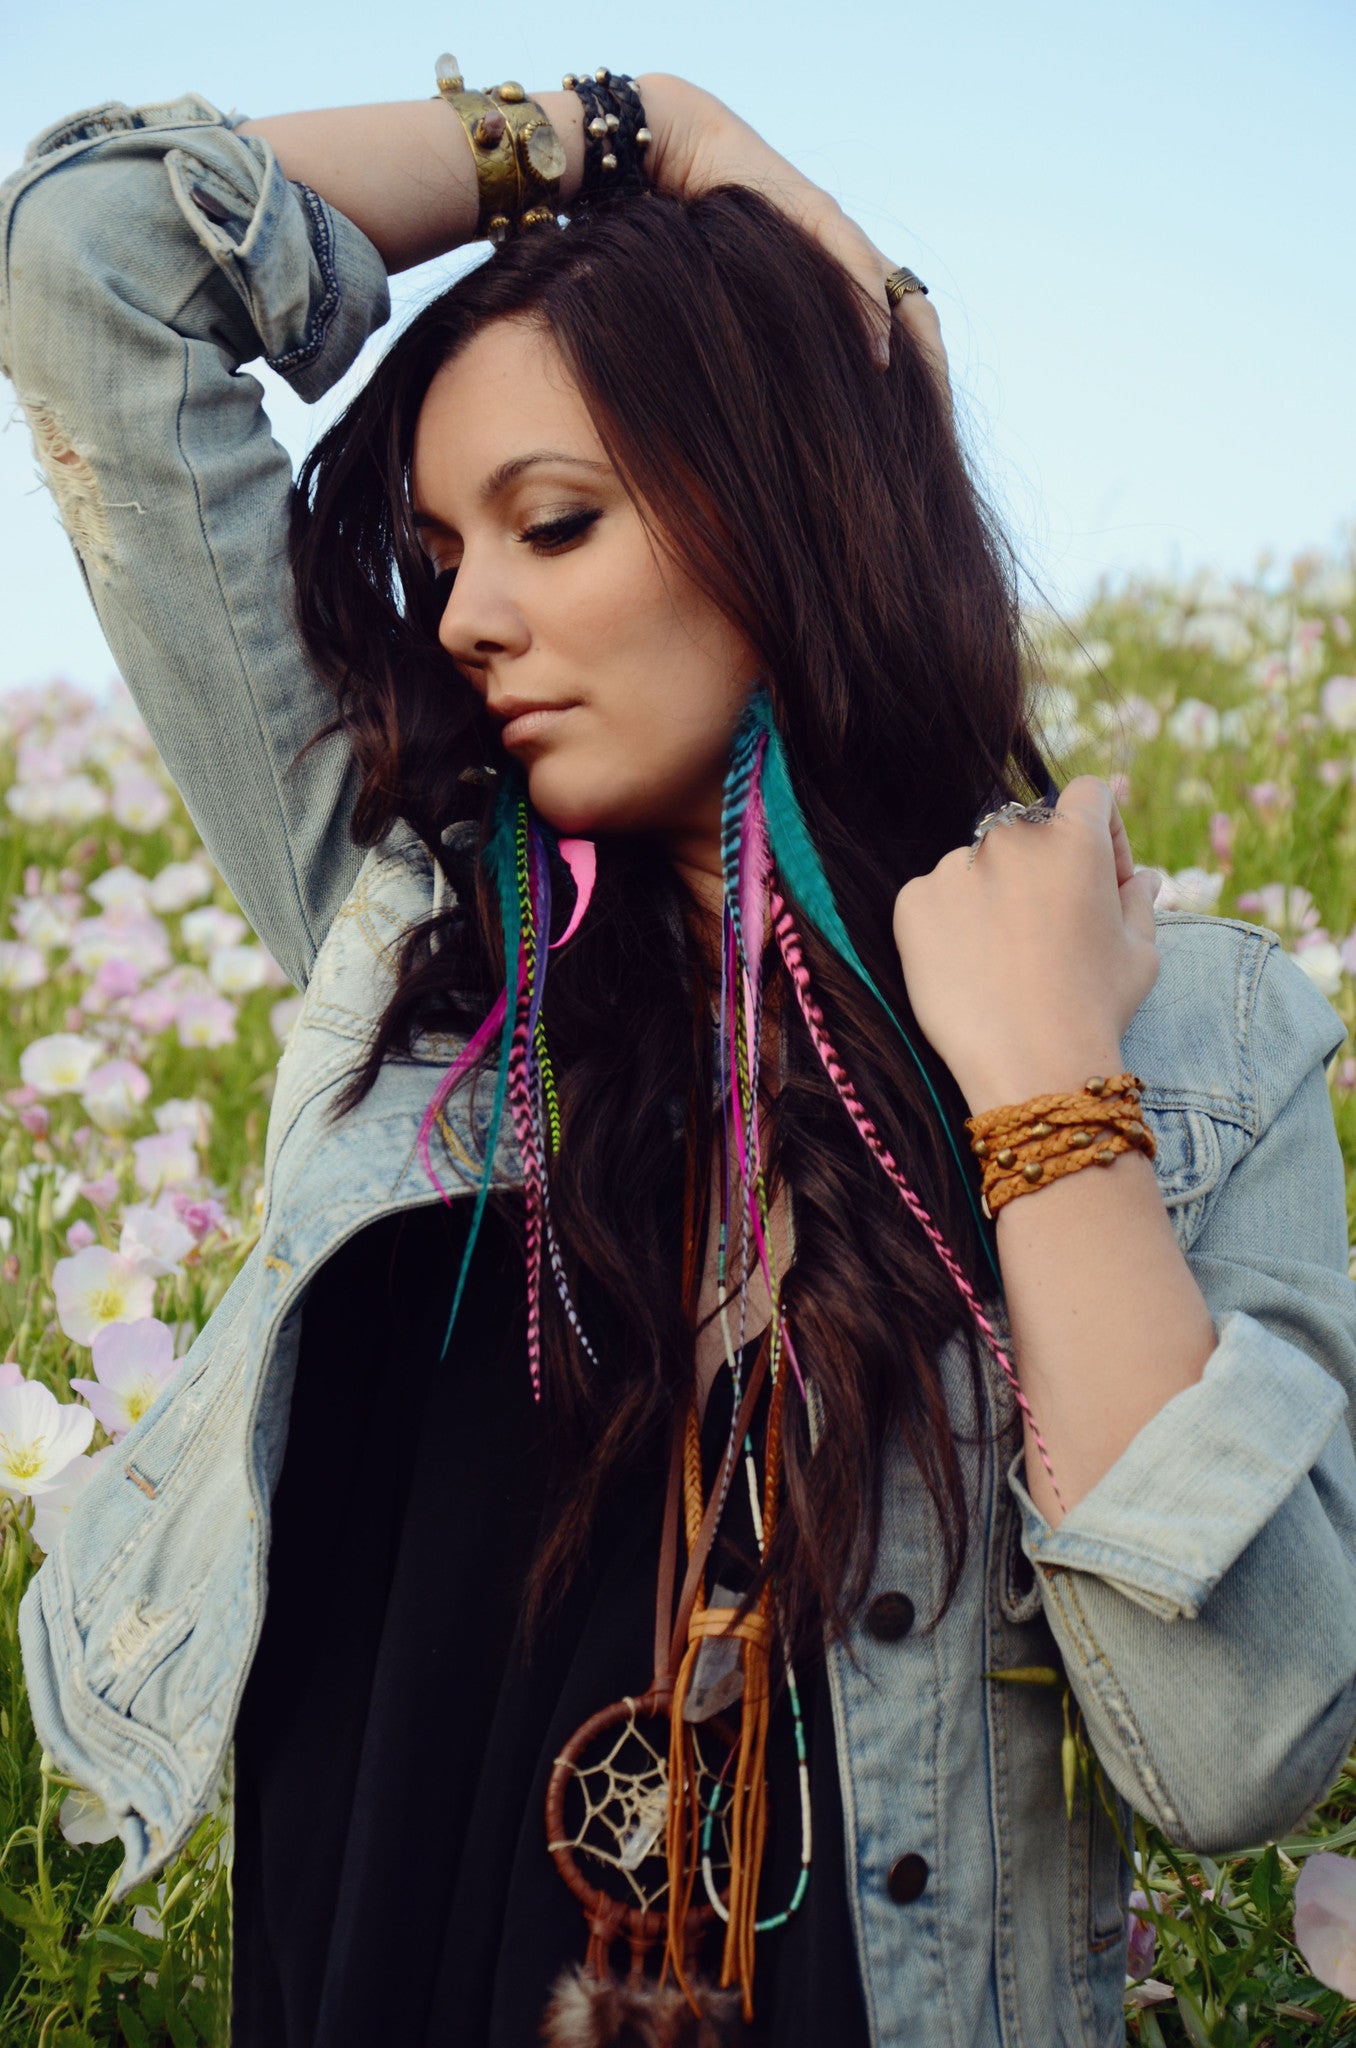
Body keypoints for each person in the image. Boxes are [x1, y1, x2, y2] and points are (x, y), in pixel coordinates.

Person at [2, 61, 1355, 2048]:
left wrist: (1050, 1099)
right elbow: (87, 264)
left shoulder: (1190, 1032)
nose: (463, 613)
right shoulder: (426, 933)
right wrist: (625, 138)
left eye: (551, 522)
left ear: (784, 505)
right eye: (444, 548)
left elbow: (1238, 1748)